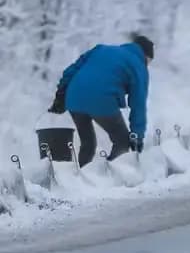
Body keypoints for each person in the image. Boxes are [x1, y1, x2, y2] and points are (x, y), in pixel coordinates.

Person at [49, 34, 153, 166]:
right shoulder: (138, 65)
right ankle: (110, 178)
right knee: (122, 141)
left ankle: (78, 176)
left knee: (88, 143)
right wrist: (137, 137)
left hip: (73, 96)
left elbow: (71, 70)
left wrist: (60, 95)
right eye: (149, 62)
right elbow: (138, 103)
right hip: (102, 100)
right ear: (146, 56)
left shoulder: (101, 49)